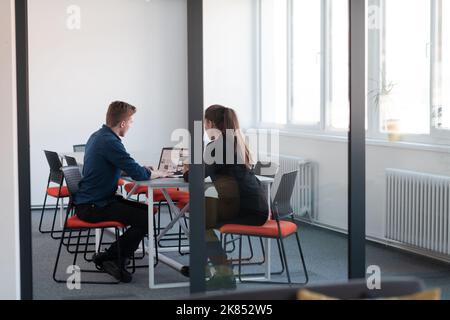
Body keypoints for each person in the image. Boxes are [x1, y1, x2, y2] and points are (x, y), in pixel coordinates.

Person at [73, 101, 167, 283]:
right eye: (131, 122)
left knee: (144, 212)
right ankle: (114, 258)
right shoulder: (110, 142)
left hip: (93, 201)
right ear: (122, 123)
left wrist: (140, 170)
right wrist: (154, 173)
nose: (131, 126)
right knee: (145, 218)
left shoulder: (98, 136)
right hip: (94, 206)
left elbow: (114, 165)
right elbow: (139, 174)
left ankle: (110, 256)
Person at [183, 105, 269, 290]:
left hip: (245, 210)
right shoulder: (236, 140)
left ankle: (224, 275)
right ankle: (206, 268)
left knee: (200, 225)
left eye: (205, 123)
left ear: (210, 123)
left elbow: (197, 176)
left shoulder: (217, 145)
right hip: (257, 207)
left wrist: (187, 171)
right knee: (203, 217)